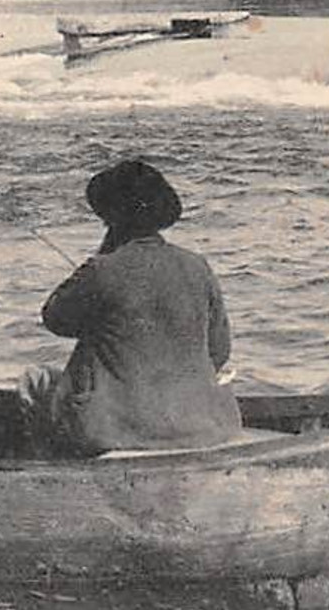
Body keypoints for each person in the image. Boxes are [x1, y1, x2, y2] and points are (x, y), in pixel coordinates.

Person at [20, 158, 241, 456]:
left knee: (34, 380)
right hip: (202, 427)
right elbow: (219, 352)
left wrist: (102, 257)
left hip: (116, 431)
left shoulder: (101, 269)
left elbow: (55, 319)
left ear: (111, 218)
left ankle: (57, 471)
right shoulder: (197, 266)